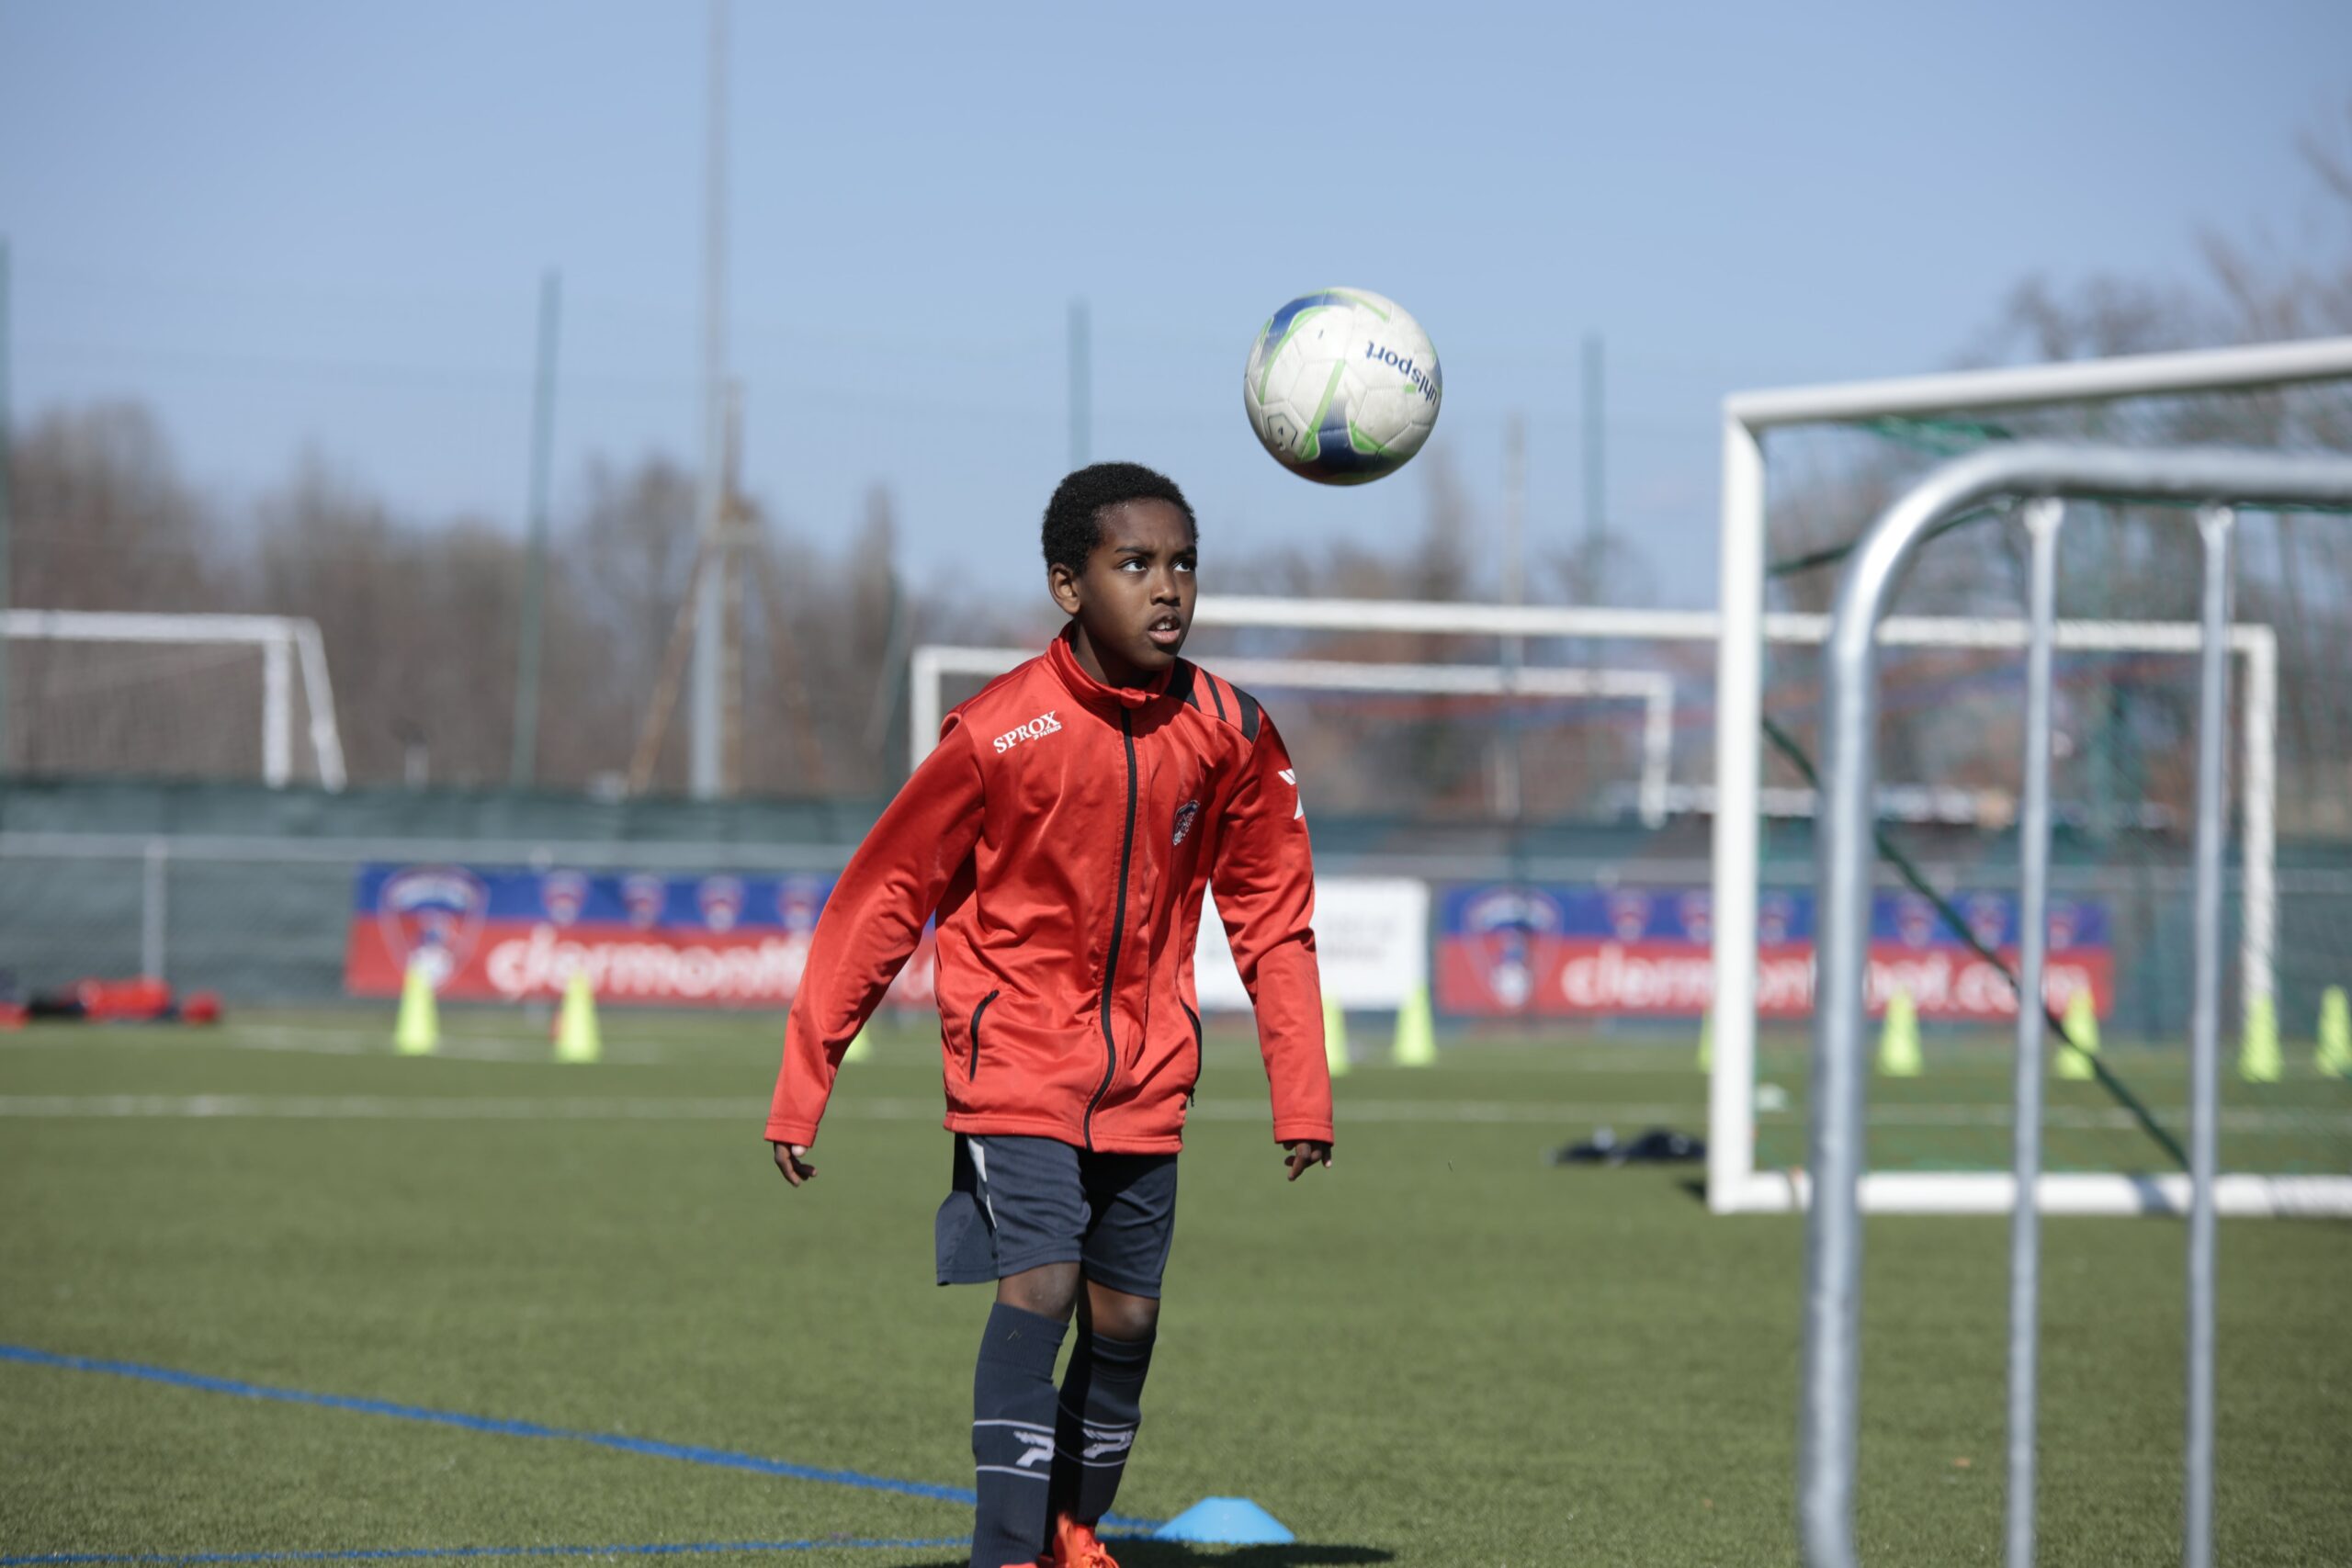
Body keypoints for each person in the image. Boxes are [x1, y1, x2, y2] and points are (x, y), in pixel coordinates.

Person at [766, 461, 1333, 1568]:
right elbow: (883, 896)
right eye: (1135, 566)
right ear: (1068, 586)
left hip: (1148, 1078)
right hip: (1015, 1063)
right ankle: (1007, 1550)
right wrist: (806, 1077)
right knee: (1043, 1283)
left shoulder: (1232, 731)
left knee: (1126, 1320)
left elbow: (1273, 917)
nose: (1166, 589)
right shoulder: (995, 732)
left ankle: (1073, 1526)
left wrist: (1299, 1090)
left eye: (1182, 565)